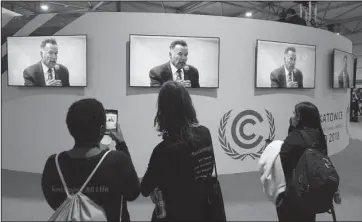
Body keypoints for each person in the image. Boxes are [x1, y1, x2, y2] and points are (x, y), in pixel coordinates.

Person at [41, 98, 140, 222]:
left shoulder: (53, 164)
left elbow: (54, 202)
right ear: (102, 130)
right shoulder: (117, 161)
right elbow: (133, 193)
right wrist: (121, 144)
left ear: (70, 127)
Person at [141, 81, 214, 221]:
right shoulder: (205, 134)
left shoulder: (163, 150)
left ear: (162, 111)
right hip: (203, 212)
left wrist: (122, 145)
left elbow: (145, 188)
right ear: (188, 105)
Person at [276, 102, 328, 222]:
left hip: (294, 194)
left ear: (300, 117)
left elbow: (283, 162)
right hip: (312, 192)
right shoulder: (319, 136)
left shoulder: (295, 137)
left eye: (295, 114)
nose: (292, 116)